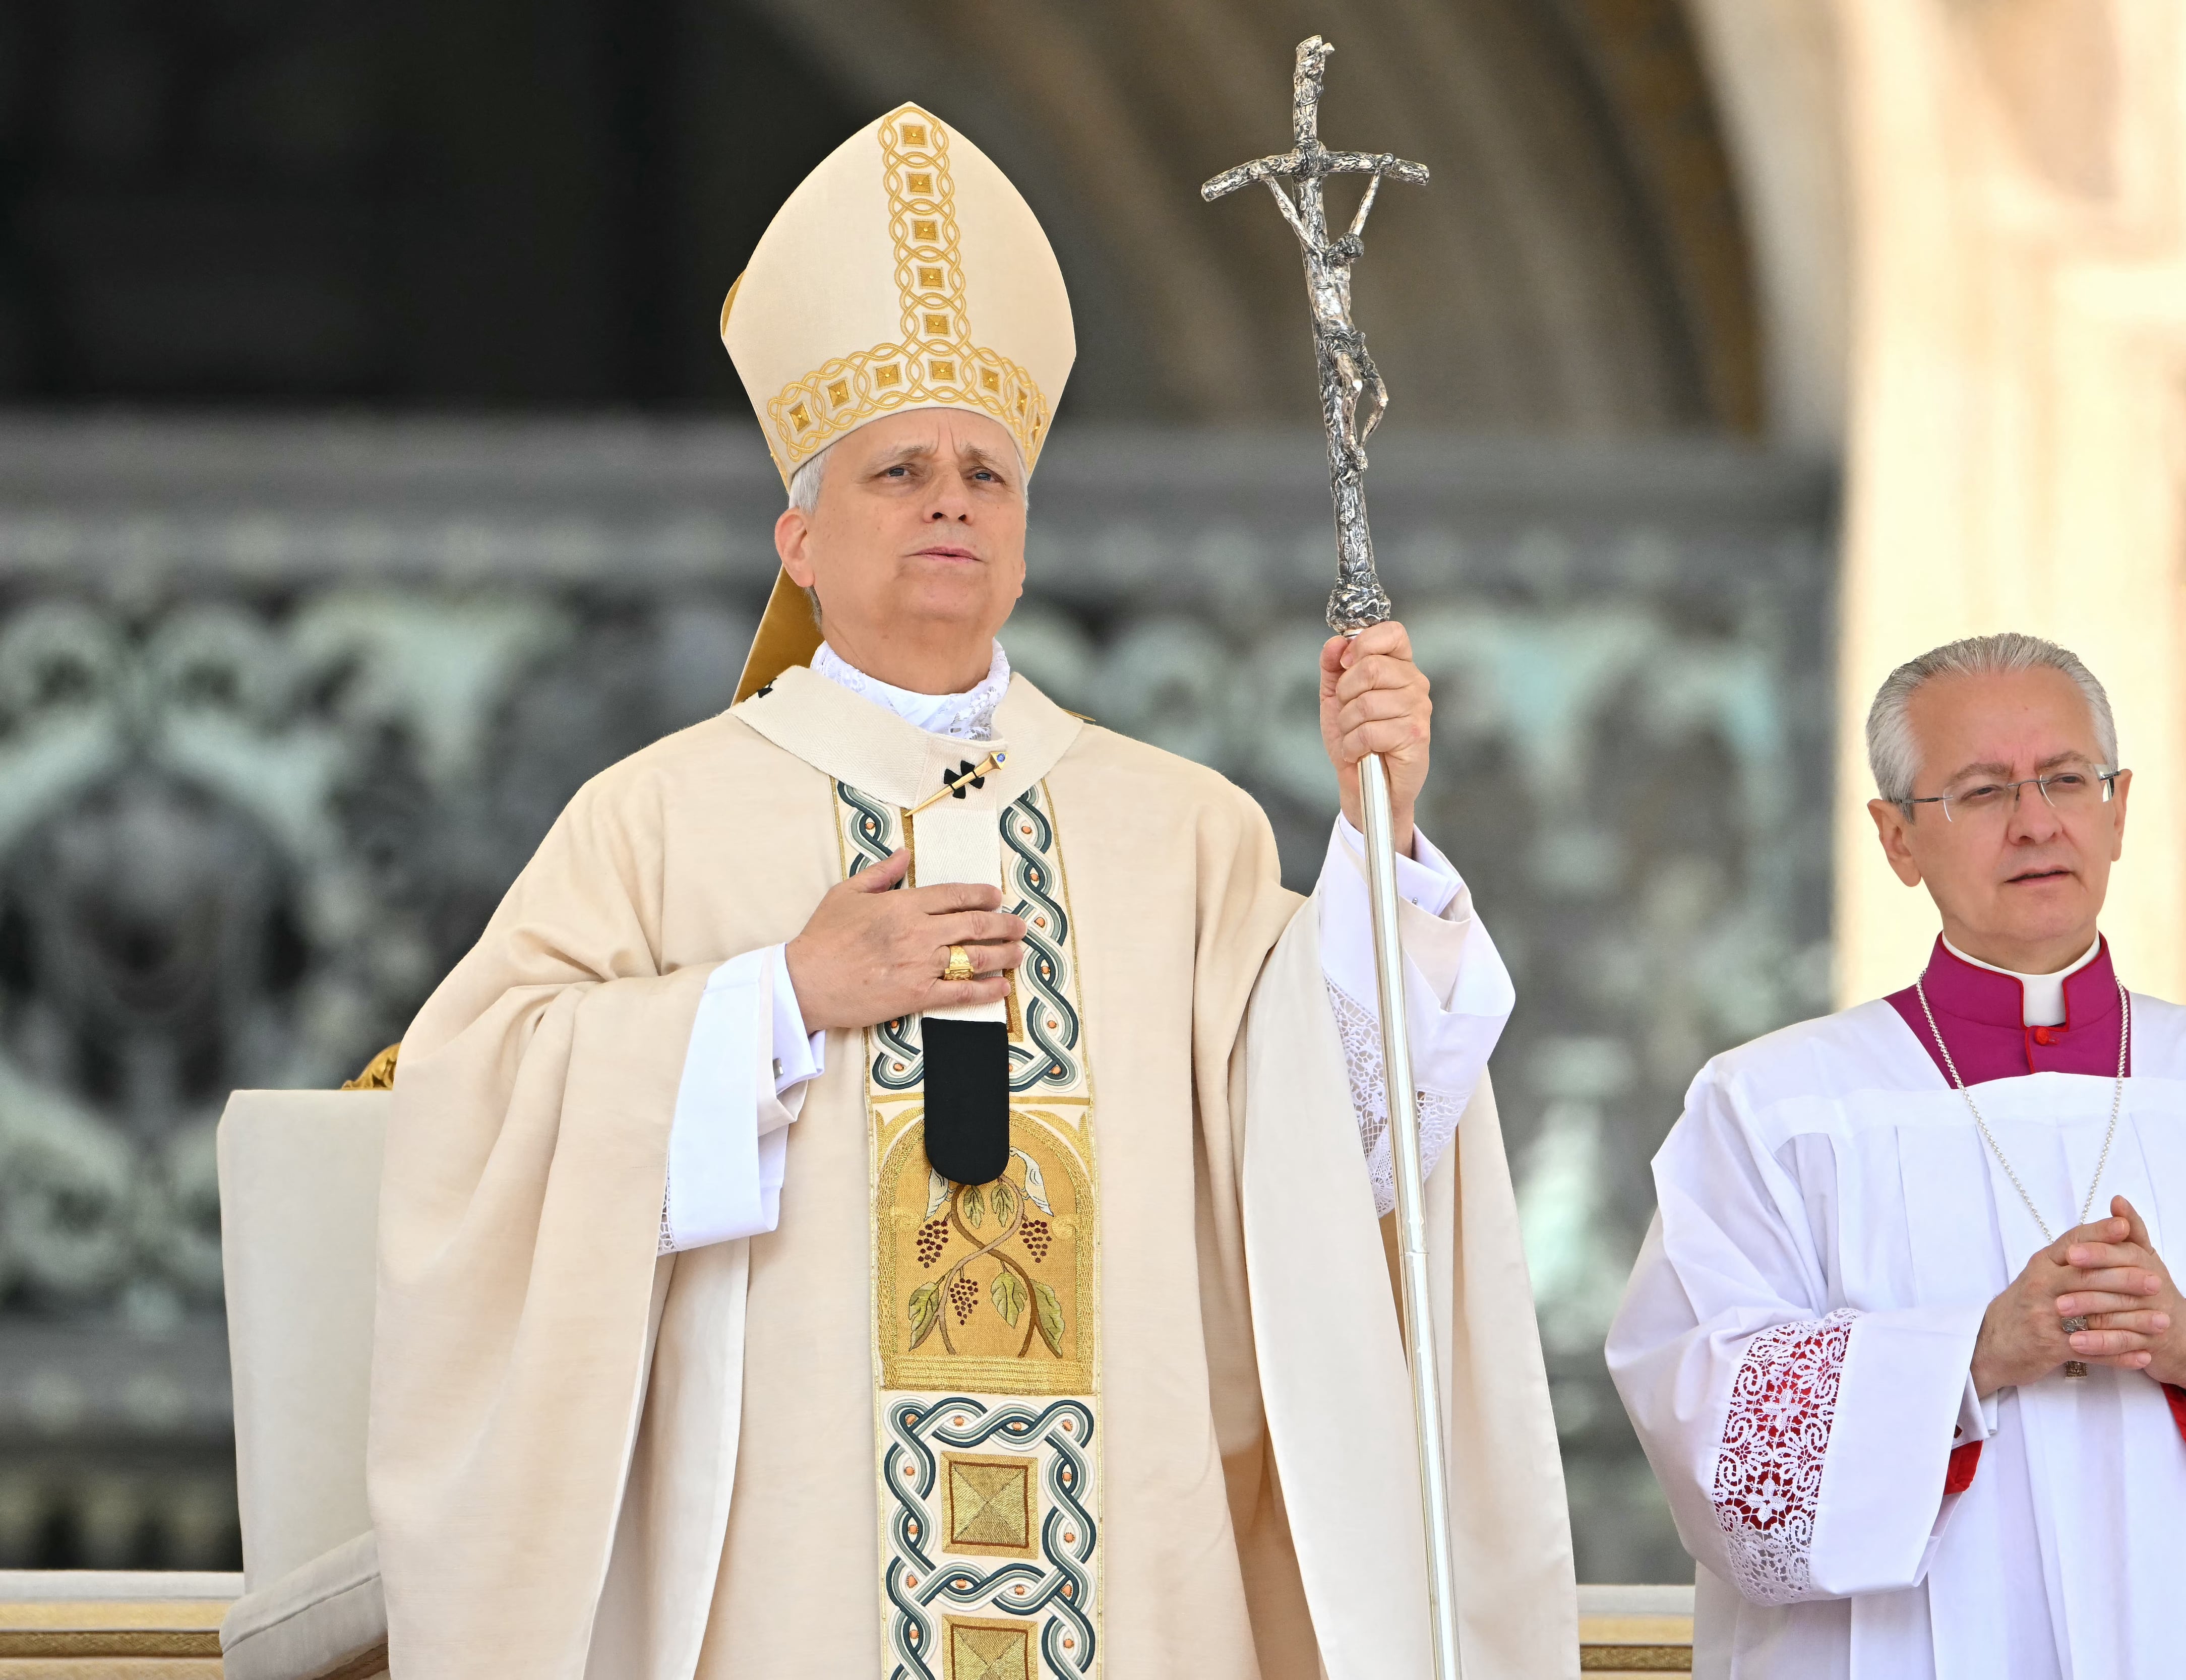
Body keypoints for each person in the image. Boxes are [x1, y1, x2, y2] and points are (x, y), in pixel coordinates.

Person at [368, 105, 1574, 1680]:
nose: (951, 498)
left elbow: (1324, 1153)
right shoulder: (661, 816)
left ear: (1021, 533)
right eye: (899, 470)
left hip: (1120, 1571)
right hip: (797, 1589)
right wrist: (782, 995)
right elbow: (471, 1111)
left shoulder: (1182, 830)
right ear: (797, 537)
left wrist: (1382, 846)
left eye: (986, 473)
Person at [1606, 632, 2186, 1678]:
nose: (2036, 823)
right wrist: (1973, 1355)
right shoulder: (1772, 1108)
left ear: (2118, 808)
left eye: (2066, 779)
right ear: (1896, 838)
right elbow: (1705, 1416)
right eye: (1981, 792)